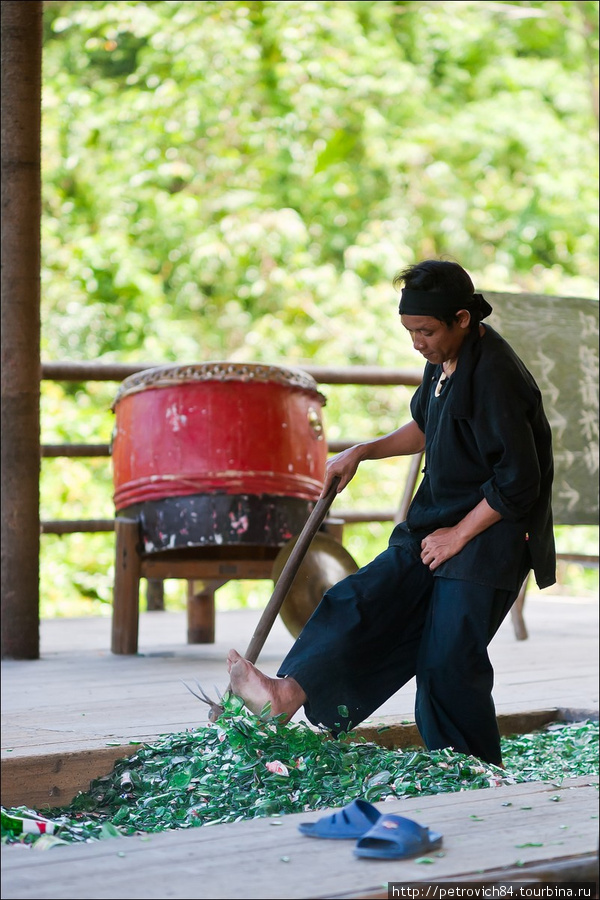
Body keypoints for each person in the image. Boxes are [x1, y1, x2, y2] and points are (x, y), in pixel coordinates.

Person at [227, 259, 556, 767]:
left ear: (463, 319)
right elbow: (426, 425)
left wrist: (458, 537)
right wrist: (363, 450)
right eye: (410, 331)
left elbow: (520, 481)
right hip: (434, 521)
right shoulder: (442, 360)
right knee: (359, 599)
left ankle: (471, 769)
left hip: (490, 536)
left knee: (447, 662)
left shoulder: (495, 375)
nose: (417, 343)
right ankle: (286, 693)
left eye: (425, 331)